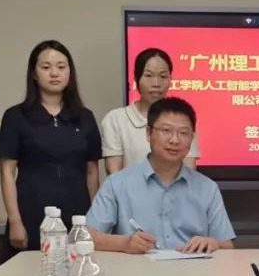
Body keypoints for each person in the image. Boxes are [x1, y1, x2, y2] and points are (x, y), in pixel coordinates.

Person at [86, 97, 235, 254]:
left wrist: (213, 243)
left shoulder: (207, 188)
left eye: (183, 133)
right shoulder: (117, 184)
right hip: (137, 268)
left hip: (193, 268)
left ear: (192, 138)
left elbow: (227, 245)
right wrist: (124, 243)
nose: (174, 140)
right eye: (166, 131)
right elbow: (85, 236)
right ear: (148, 133)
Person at [0, 40, 103, 252]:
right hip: (31, 213)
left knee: (77, 268)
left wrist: (94, 220)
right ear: (34, 74)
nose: (54, 73)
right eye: (46, 67)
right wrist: (15, 221)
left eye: (61, 67)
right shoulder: (16, 116)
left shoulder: (85, 117)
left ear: (70, 73)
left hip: (77, 215)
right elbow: (7, 173)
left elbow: (92, 172)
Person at [100, 48, 199, 175]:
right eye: (148, 76)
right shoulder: (116, 119)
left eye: (163, 76)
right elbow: (114, 173)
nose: (156, 83)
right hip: (129, 188)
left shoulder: (182, 119)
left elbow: (189, 171)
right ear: (136, 78)